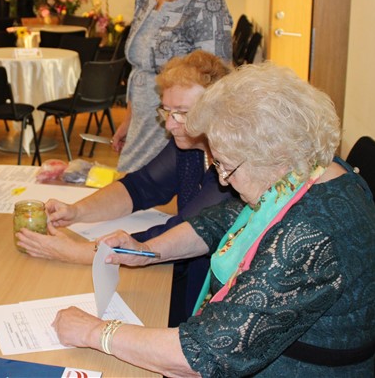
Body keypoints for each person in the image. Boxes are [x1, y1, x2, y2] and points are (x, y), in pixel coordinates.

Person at [52, 62, 375, 377]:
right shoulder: (306, 169)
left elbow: (202, 355)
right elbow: (219, 221)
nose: (223, 180)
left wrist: (95, 332)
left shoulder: (310, 232)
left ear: (272, 155)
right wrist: (148, 251)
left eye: (226, 166)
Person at [17, 51, 234, 326]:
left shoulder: (232, 165)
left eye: (182, 114)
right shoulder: (191, 144)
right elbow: (140, 187)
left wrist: (78, 252)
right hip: (180, 269)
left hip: (210, 295)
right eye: (167, 111)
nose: (170, 124)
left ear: (216, 112)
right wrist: (76, 211)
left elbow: (183, 232)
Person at [112, 0, 233, 173]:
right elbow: (139, 69)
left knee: (148, 190)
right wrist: (129, 120)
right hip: (142, 122)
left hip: (178, 130)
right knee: (130, 187)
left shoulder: (208, 4)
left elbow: (217, 85)